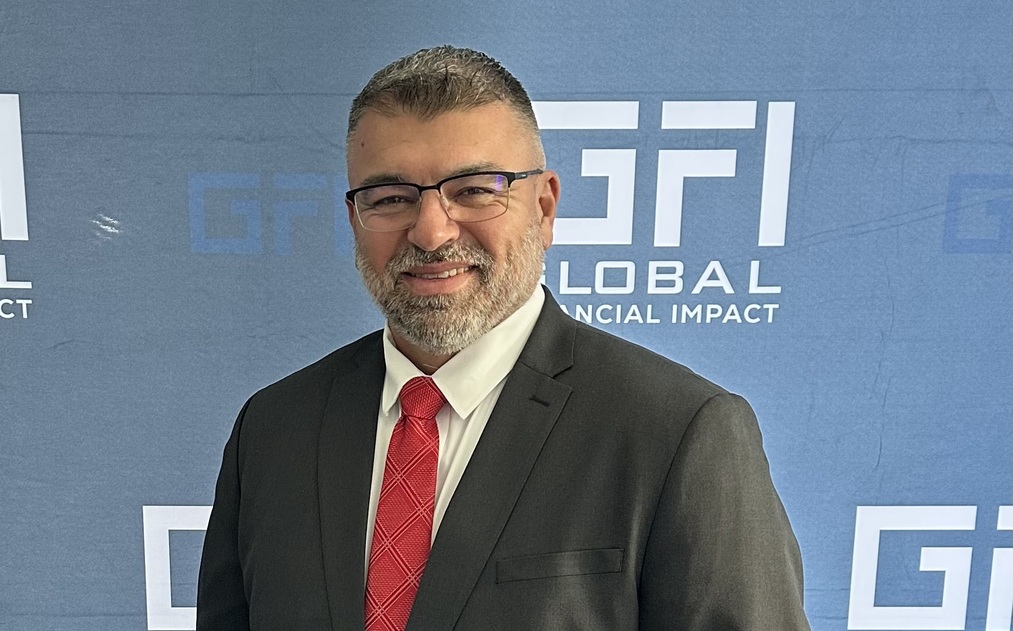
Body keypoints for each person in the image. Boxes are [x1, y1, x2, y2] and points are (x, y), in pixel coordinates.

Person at [197, 45, 811, 631]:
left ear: (544, 207)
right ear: (356, 219)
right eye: (391, 198)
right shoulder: (273, 429)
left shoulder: (677, 432)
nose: (432, 232)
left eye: (473, 191)